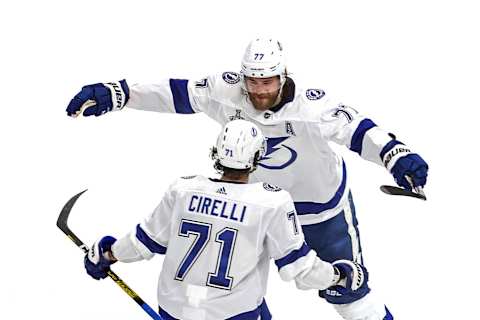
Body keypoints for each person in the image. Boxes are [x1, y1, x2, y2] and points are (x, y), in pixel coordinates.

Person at [69, 38, 429, 320]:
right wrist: (120, 93)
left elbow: (358, 130)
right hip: (252, 210)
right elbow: (175, 93)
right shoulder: (227, 92)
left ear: (284, 75)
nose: (258, 90)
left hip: (318, 211)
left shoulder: (313, 107)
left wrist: (395, 155)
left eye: (267, 81)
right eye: (252, 80)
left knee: (348, 292)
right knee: (231, 295)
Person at [84, 119, 369, 320]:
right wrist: (340, 275)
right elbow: (300, 269)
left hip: (173, 310)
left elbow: (142, 243)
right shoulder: (272, 201)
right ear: (258, 157)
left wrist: (107, 254)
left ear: (216, 153)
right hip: (234, 315)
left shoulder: (183, 189)